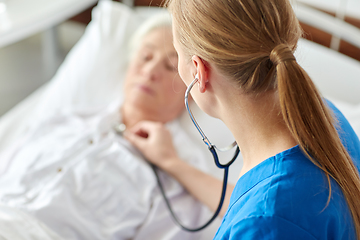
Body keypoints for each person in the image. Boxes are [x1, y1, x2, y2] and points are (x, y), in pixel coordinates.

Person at [125, 0, 360, 239]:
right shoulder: (323, 115)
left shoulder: (264, 221)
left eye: (174, 60)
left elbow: (264, 217)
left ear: (199, 71)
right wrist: (173, 163)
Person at [0, 13, 210, 240]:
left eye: (170, 66)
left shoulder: (178, 176)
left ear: (193, 87)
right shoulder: (64, 120)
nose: (150, 72)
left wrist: (171, 163)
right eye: (145, 56)